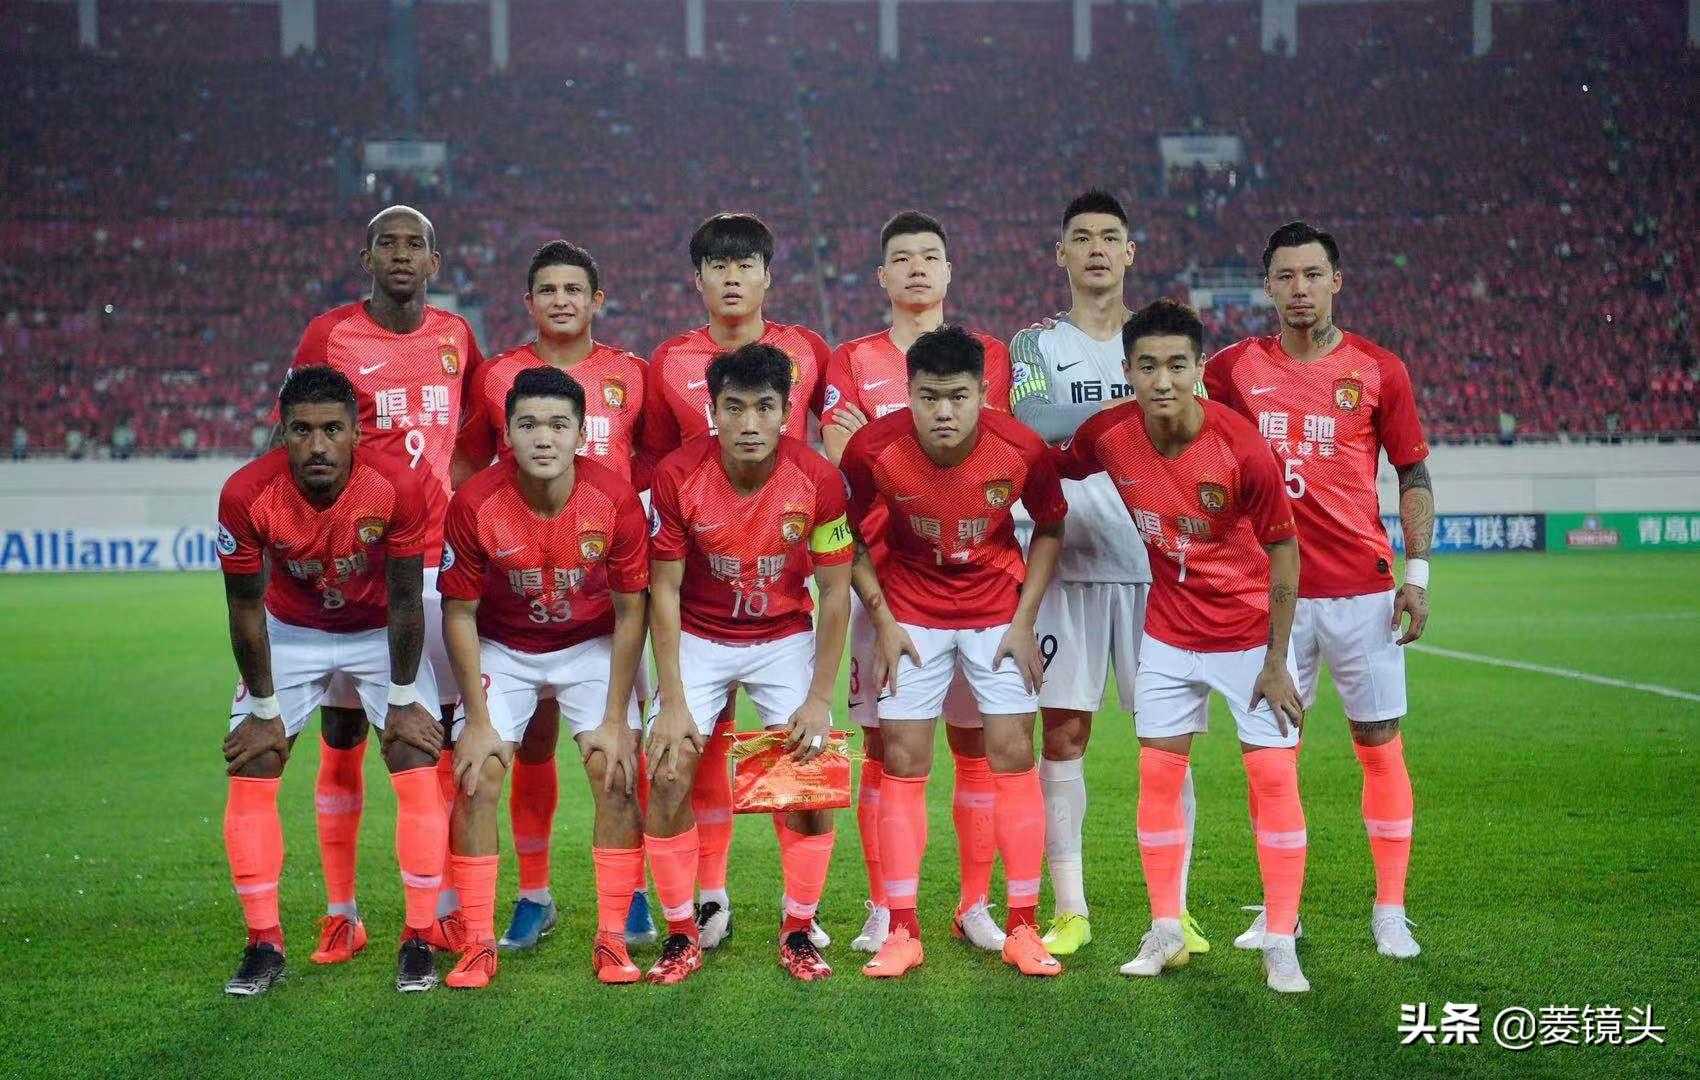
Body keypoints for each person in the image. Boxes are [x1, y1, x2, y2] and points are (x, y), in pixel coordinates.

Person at [1054, 299, 1313, 993]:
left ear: (1199, 368)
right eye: (1147, 366)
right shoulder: (1108, 435)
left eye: (1176, 365)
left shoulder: (1242, 448)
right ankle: (1166, 928)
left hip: (1249, 637)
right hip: (1168, 633)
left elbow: (1285, 555)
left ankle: (1280, 940)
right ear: (1128, 371)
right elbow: (1048, 468)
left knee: (1273, 778)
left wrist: (1276, 660)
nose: (1162, 380)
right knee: (1159, 777)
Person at [1204, 221, 1432, 959]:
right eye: (1285, 276)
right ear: (1267, 286)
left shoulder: (1379, 369)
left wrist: (1417, 576)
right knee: (1270, 758)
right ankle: (1282, 914)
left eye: (1312, 275)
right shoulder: (1232, 370)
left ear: (1336, 280)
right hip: (1270, 597)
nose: (1299, 289)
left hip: (1362, 592)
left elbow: (1413, 474)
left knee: (1378, 744)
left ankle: (1390, 911)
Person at [1009, 189, 1204, 956]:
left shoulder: (1163, 341)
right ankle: (1071, 911)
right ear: (1061, 254)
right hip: (1069, 564)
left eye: (1109, 237)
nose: (1096, 248)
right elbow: (1034, 427)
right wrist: (1142, 411)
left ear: (1129, 252)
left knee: (1168, 742)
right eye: (1081, 237)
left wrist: (1099, 422)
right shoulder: (1035, 345)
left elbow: (1194, 427)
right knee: (1063, 734)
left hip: (1159, 568)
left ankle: (1174, 912)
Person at [840, 325, 1067, 979]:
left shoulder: (1020, 448)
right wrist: (881, 618)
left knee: (1012, 756)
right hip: (911, 614)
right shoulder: (873, 449)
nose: (944, 411)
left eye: (958, 396)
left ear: (983, 394)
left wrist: (1024, 620)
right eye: (930, 396)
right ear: (908, 393)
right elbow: (843, 531)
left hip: (996, 613)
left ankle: (1021, 926)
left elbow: (1050, 527)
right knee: (903, 761)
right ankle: (902, 932)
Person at [289, 205, 483, 962]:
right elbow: (293, 437)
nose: (401, 255)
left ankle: (439, 905)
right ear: (365, 257)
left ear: (434, 262)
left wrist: (455, 506)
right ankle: (342, 912)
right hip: (355, 568)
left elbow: (473, 438)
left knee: (435, 736)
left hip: (434, 567)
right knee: (341, 739)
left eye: (415, 245)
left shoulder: (457, 336)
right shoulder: (329, 335)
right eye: (387, 244)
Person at [216, 365, 448, 995]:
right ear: (282, 431)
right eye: (302, 430)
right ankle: (264, 943)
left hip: (377, 629)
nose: (317, 445)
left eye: (332, 430)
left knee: (415, 754)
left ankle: (418, 937)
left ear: (355, 432)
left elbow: (407, 600)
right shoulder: (245, 493)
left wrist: (404, 699)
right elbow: (244, 608)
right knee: (254, 762)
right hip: (292, 631)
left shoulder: (396, 485)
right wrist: (263, 708)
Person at [451, 240, 656, 950]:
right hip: (517, 594)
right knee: (527, 747)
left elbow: (653, 460)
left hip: (603, 591)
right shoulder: (497, 375)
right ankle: (533, 896)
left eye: (575, 289)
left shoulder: (632, 373)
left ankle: (631, 895)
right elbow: (469, 458)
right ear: (529, 301)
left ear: (597, 300)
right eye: (548, 289)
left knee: (623, 752)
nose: (562, 300)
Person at [636, 211, 832, 950]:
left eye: (745, 265)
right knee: (697, 752)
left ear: (767, 277)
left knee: (797, 766)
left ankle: (799, 918)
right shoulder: (669, 361)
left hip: (783, 591)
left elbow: (831, 443)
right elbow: (655, 462)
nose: (731, 278)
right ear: (698, 280)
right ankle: (707, 901)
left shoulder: (808, 350)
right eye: (718, 266)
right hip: (699, 593)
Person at [822, 209, 1014, 954]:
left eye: (930, 256)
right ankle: (883, 907)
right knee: (884, 749)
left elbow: (997, 449)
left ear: (949, 270)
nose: (916, 268)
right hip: (881, 578)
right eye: (901, 258)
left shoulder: (989, 355)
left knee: (976, 745)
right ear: (881, 276)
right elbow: (842, 457)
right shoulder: (851, 359)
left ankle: (974, 905)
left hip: (976, 579)